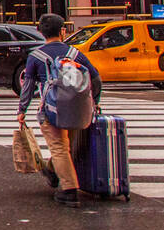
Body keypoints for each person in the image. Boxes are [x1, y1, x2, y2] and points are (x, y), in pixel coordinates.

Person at [17, 12, 103, 209]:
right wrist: (94, 102)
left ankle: (69, 190)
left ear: (40, 32)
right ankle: (52, 171)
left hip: (52, 109)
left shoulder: (36, 56)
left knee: (58, 148)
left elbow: (28, 86)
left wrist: (22, 110)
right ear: (62, 31)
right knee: (66, 148)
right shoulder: (75, 53)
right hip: (78, 108)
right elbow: (96, 78)